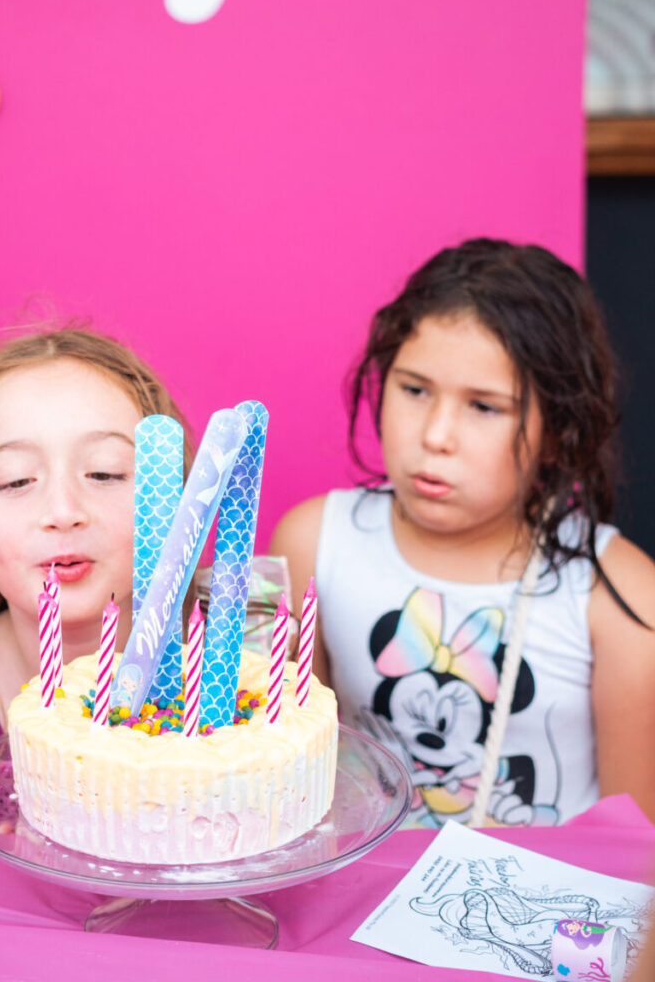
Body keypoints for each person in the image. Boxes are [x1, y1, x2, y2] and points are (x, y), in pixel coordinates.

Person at [270, 238, 655, 828]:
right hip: (360, 903)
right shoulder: (312, 545)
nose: (436, 435)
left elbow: (639, 856)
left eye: (484, 407)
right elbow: (284, 775)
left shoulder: (621, 597)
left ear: (558, 428)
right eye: (415, 389)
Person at [0, 328, 190, 832]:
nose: (62, 511)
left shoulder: (248, 652)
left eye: (105, 473)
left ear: (175, 505)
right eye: (16, 481)